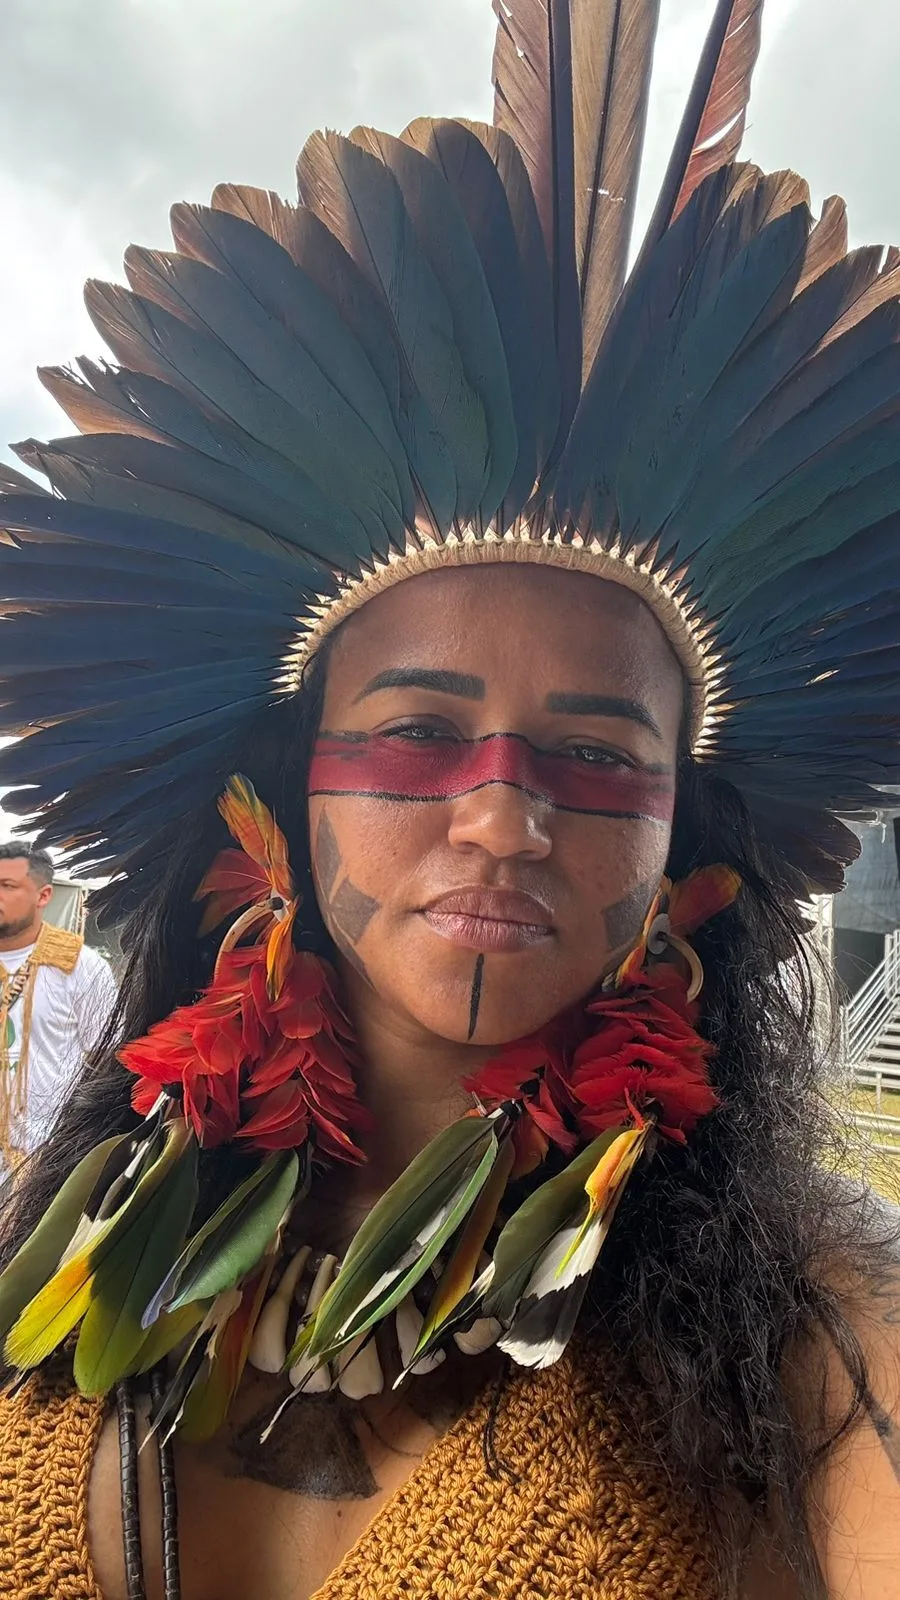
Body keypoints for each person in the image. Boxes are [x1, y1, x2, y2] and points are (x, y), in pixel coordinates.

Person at [0, 1, 898, 1597]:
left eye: (598, 755)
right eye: (420, 730)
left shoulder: (820, 1332)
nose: (502, 818)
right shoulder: (55, 1231)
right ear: (277, 797)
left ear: (686, 845)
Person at [0, 842, 116, 1168]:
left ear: (43, 896)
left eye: (8, 886)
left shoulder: (81, 966)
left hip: (41, 1160)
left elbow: (109, 1059)